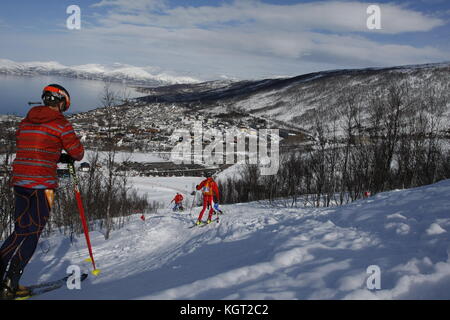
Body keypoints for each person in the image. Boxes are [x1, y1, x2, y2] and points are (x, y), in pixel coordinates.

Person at [0, 84, 84, 300]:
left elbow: (31, 147)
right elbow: (77, 153)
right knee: (33, 232)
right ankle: (10, 284)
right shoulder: (61, 124)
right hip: (42, 185)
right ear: (62, 102)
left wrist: (52, 154)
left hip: (19, 182)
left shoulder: (25, 122)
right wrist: (62, 154)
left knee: (20, 229)